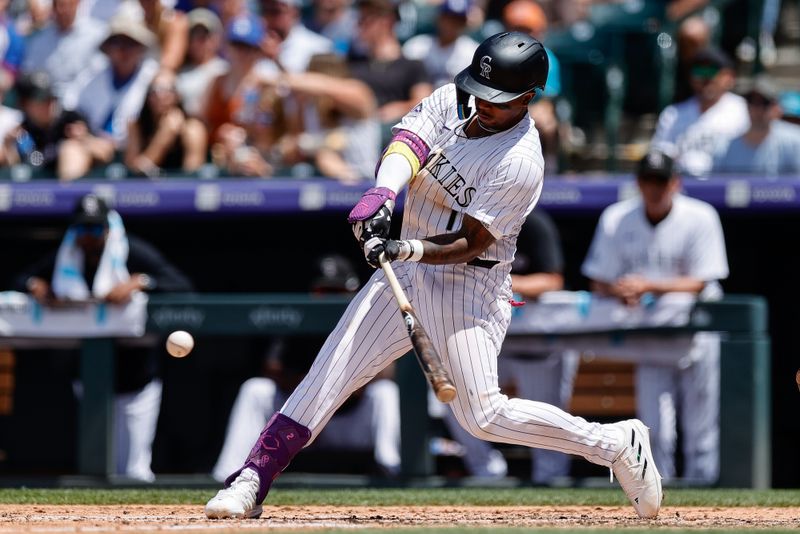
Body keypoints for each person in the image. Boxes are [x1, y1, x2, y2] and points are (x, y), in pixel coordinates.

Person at [204, 31, 662, 520]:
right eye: (481, 92)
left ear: (528, 98)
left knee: (482, 416)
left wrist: (405, 245)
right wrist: (383, 194)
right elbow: (410, 142)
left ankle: (613, 443)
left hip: (470, 288)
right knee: (329, 375)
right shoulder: (455, 97)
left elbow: (473, 241)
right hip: (405, 270)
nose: (483, 103)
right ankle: (251, 478)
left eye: (498, 99)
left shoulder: (521, 162)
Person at [14, 193, 194, 481]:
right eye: (82, 229)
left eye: (95, 228)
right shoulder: (65, 254)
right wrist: (37, 286)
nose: (88, 236)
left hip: (137, 377)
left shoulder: (131, 250)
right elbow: (22, 278)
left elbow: (182, 285)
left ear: (108, 228)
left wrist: (140, 281)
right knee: (99, 468)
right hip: (88, 376)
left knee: (134, 471)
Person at [581, 150, 729, 483]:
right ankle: (658, 492)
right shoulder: (617, 217)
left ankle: (704, 496)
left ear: (675, 182)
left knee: (700, 427)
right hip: (649, 332)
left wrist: (649, 285)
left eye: (661, 180)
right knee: (656, 428)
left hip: (696, 333)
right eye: (648, 180)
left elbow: (702, 280)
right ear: (638, 183)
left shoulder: (700, 216)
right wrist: (621, 289)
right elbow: (598, 279)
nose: (654, 188)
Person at [212, 254, 401, 481]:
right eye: (324, 291)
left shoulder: (367, 315)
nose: (330, 298)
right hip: (300, 418)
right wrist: (316, 388)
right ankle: (226, 474)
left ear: (352, 292)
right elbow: (271, 367)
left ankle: (392, 469)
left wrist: (347, 384)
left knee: (385, 393)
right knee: (256, 389)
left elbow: (390, 370)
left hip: (350, 419)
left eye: (338, 292)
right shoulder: (300, 317)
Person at [435, 208, 578, 484]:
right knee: (455, 394)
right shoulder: (471, 225)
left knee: (544, 412)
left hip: (534, 345)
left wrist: (502, 282)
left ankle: (551, 481)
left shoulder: (534, 224)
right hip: (488, 335)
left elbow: (552, 280)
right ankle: (486, 471)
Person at [266, 53, 379, 182]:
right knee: (323, 157)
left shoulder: (357, 91)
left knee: (325, 156)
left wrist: (276, 78)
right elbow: (296, 142)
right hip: (325, 181)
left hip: (366, 176)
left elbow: (329, 87)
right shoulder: (308, 107)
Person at [60, 11, 160, 149]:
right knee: (71, 149)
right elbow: (69, 103)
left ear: (141, 48)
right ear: (108, 48)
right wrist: (80, 127)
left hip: (136, 148)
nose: (124, 50)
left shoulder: (153, 76)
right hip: (92, 145)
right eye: (117, 43)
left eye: (131, 43)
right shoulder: (93, 74)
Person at [650, 46, 749, 178]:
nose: (705, 78)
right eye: (699, 72)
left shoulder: (743, 109)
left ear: (729, 77)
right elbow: (659, 154)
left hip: (727, 183)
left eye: (712, 72)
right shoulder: (673, 114)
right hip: (683, 186)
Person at [2, 71, 114, 180]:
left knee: (71, 149)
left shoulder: (71, 120)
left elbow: (106, 153)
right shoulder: (21, 131)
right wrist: (9, 147)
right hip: (34, 192)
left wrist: (85, 139)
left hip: (72, 186)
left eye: (51, 98)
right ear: (25, 104)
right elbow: (15, 171)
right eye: (41, 99)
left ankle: (67, 195)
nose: (49, 104)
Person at [348, 0, 433, 124]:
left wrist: (401, 108)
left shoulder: (412, 66)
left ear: (386, 21)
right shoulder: (353, 63)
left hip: (396, 133)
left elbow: (425, 103)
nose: (359, 26)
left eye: (365, 20)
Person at [124, 69, 208, 176]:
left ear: (178, 95)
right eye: (155, 90)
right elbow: (133, 174)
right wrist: (163, 137)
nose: (161, 96)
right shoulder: (136, 125)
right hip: (145, 191)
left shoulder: (193, 129)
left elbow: (191, 177)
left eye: (169, 90)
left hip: (179, 190)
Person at [712, 75, 800, 176]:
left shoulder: (795, 141)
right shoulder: (725, 147)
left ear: (777, 107)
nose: (757, 108)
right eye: (751, 101)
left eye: (764, 102)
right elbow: (717, 186)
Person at [20, 0, 108, 100]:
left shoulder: (96, 35)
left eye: (66, 5)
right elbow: (29, 71)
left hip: (78, 103)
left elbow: (95, 75)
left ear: (77, 3)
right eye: (57, 5)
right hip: (42, 101)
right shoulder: (41, 37)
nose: (61, 10)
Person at [401, 0, 479, 90]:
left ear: (464, 23)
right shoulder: (416, 46)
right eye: (447, 18)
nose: (451, 24)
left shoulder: (473, 52)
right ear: (438, 18)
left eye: (457, 20)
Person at [176, 8, 229, 118]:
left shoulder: (223, 70)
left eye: (203, 35)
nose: (197, 41)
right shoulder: (179, 69)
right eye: (192, 35)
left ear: (216, 39)